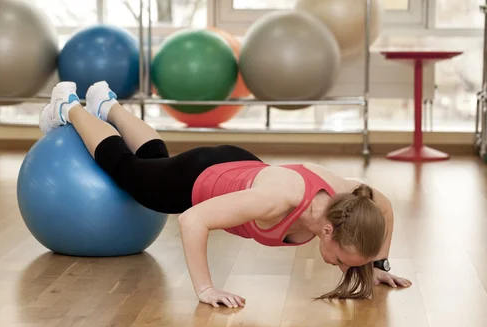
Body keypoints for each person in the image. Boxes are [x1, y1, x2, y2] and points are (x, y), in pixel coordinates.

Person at [39, 81, 412, 308]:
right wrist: (205, 288)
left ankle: (106, 104)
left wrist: (378, 265)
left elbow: (387, 208)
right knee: (130, 174)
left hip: (238, 167)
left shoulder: (349, 198)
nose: (347, 269)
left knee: (154, 162)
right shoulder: (278, 202)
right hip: (198, 180)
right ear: (329, 232)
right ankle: (69, 106)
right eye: (348, 261)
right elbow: (192, 219)